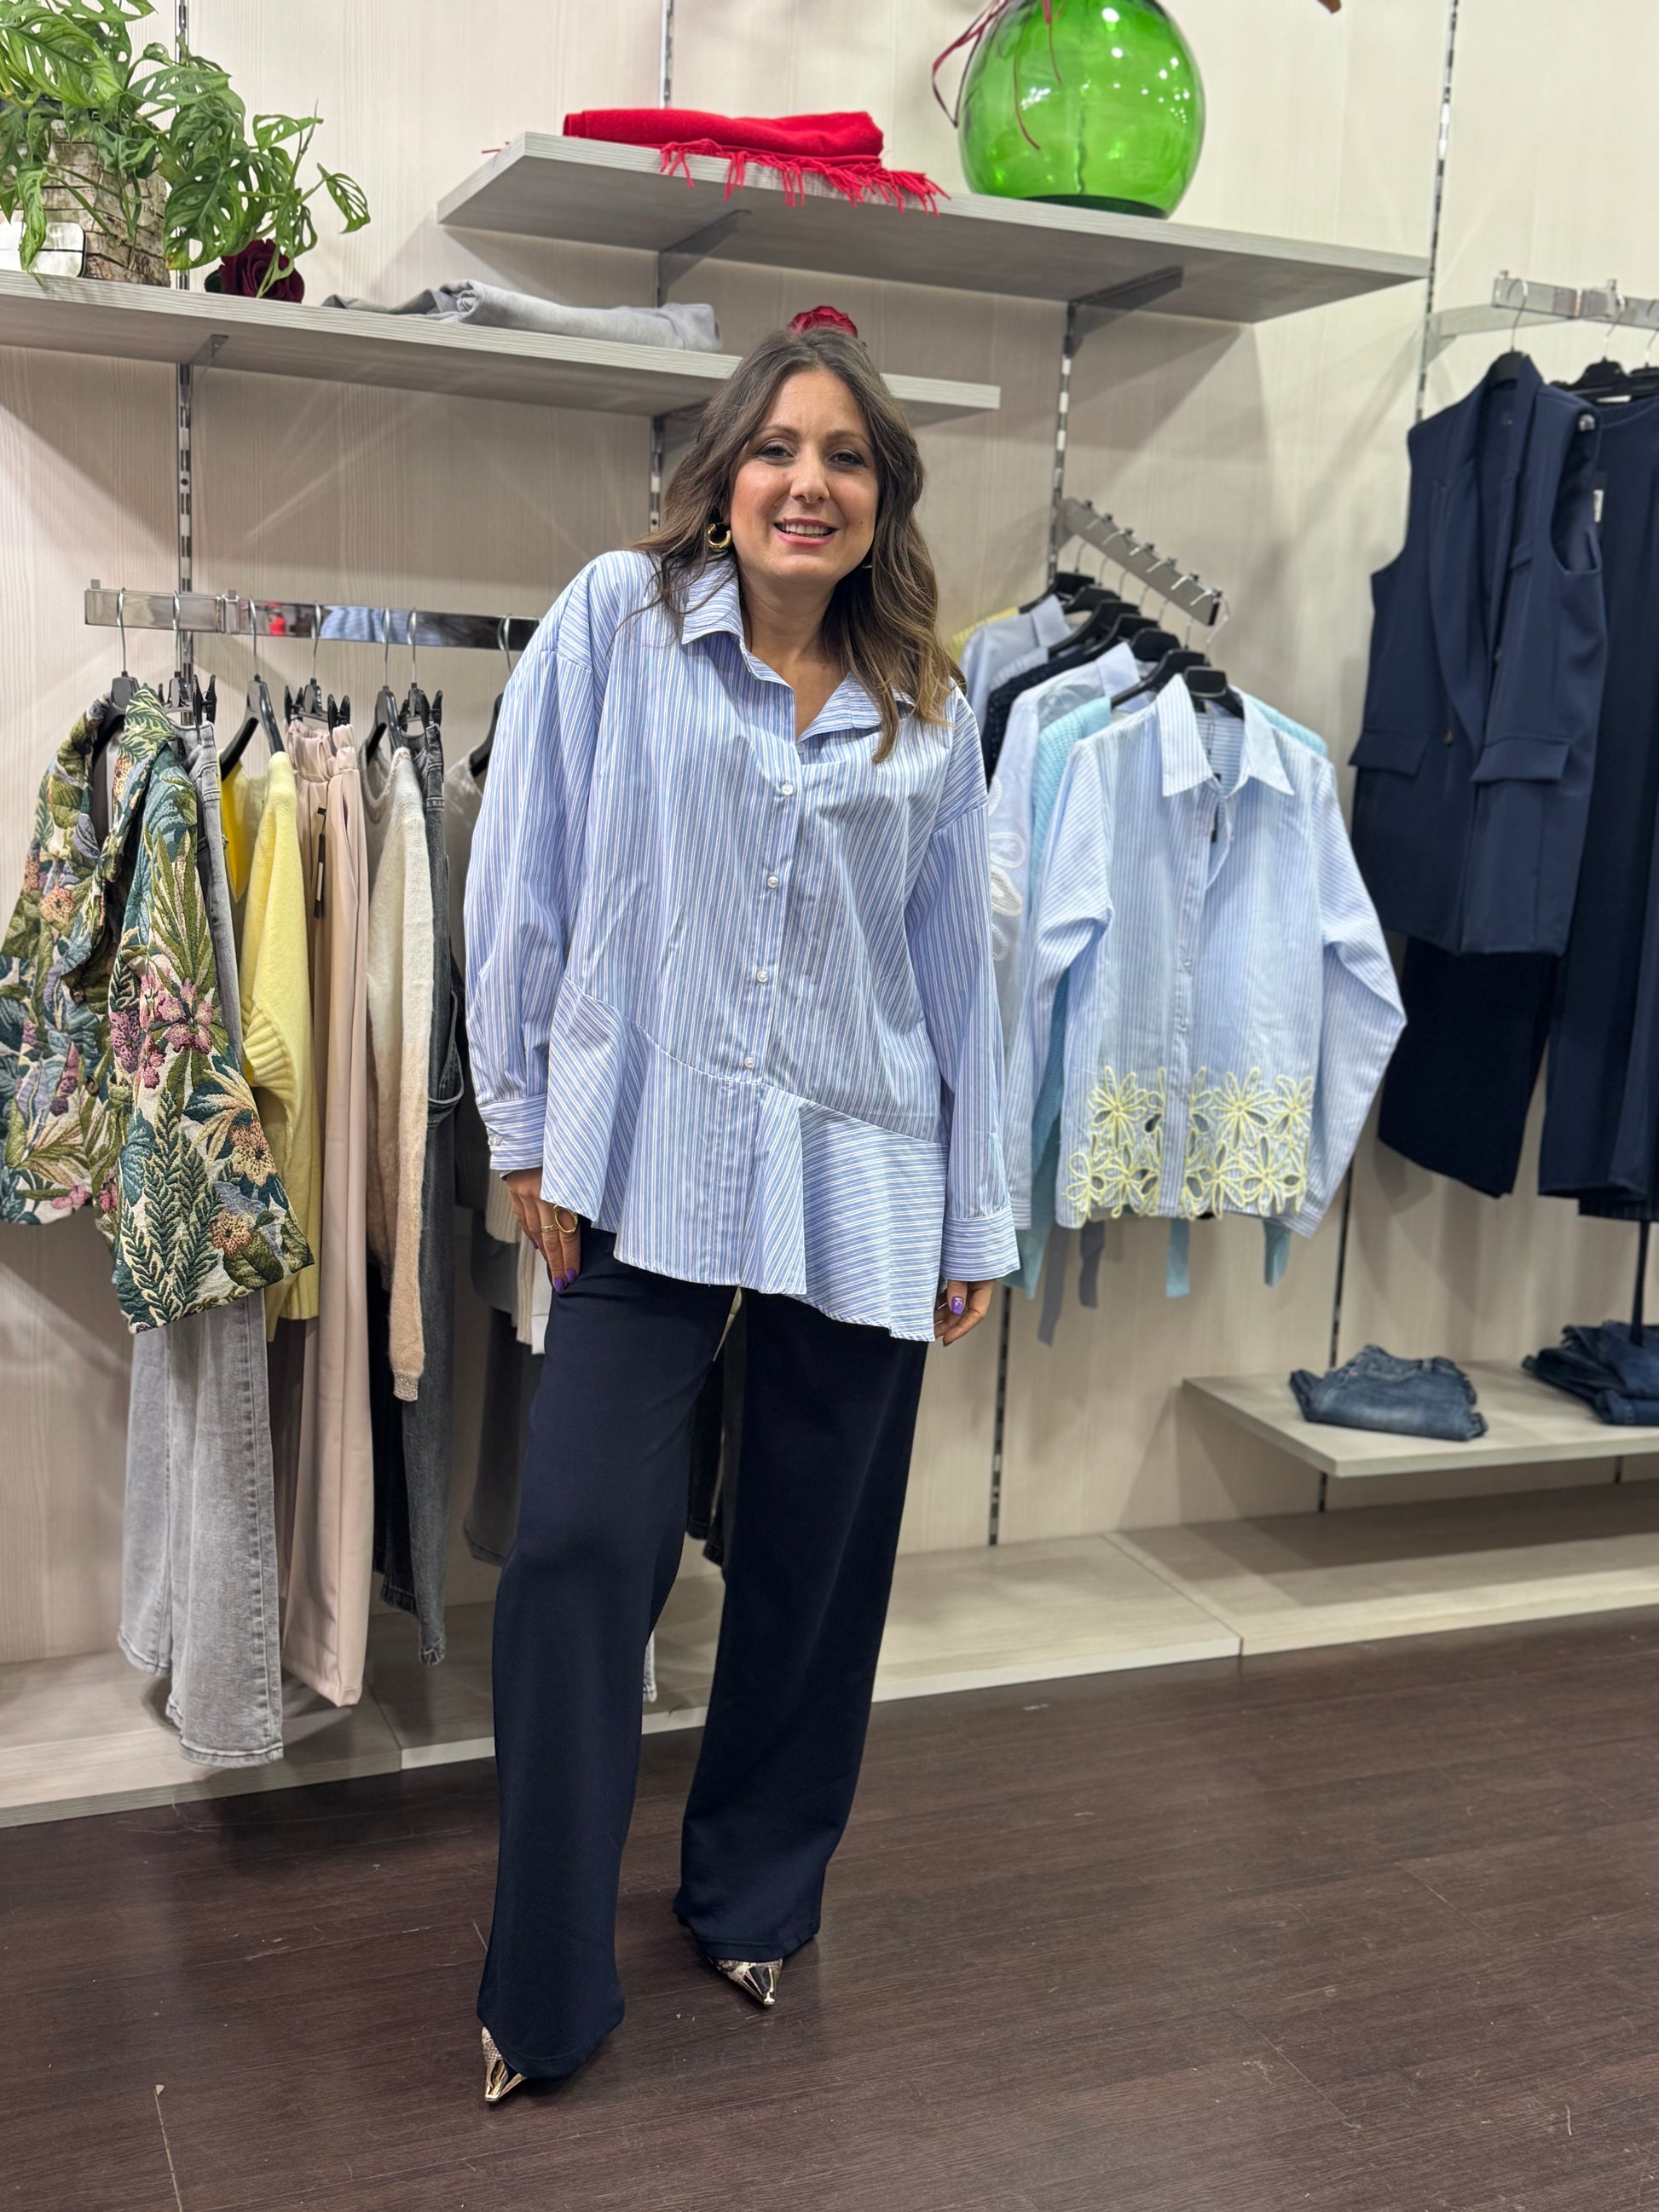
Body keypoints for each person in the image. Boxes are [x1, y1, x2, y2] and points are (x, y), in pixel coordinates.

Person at [465, 319, 1017, 2105]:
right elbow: (523, 876)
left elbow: (958, 975)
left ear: (881, 497)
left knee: (811, 1562)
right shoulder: (612, 623)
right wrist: (521, 1127)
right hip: (642, 1163)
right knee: (576, 1551)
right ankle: (542, 1982)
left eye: (846, 457)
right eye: (778, 447)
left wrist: (974, 1219)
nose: (808, 482)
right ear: (722, 475)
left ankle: (754, 1893)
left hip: (864, 1172)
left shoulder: (931, 706)